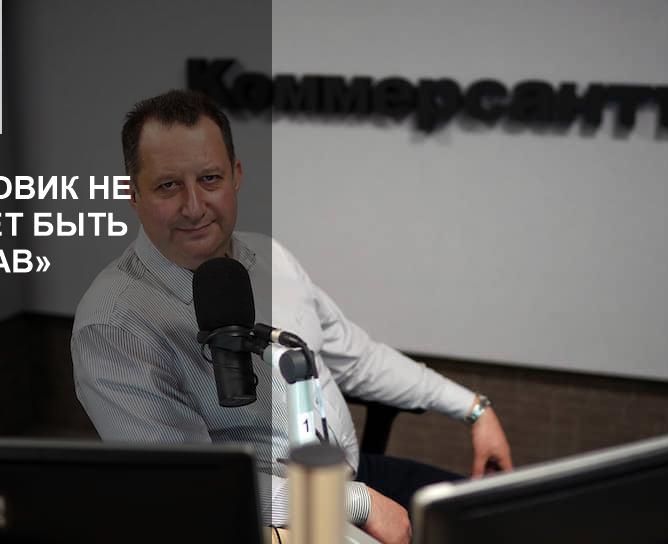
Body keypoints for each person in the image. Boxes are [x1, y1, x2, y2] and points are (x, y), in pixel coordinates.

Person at [71, 89, 512, 544]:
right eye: (168, 186)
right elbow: (195, 483)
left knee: (498, 522)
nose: (194, 206)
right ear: (132, 193)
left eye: (209, 178)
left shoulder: (268, 256)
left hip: (352, 476)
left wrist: (474, 409)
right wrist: (355, 504)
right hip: (273, 517)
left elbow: (356, 357)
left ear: (236, 175)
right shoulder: (113, 324)